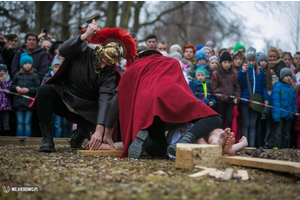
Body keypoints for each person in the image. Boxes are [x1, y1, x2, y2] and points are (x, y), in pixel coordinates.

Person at [30, 24, 136, 152]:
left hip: (88, 111)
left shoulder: (110, 73)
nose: (103, 67)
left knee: (99, 140)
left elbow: (105, 100)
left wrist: (99, 130)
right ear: (98, 52)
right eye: (102, 61)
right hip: (65, 96)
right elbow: (63, 50)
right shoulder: (83, 48)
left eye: (107, 65)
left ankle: (80, 133)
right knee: (45, 90)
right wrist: (84, 36)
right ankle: (47, 139)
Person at [116, 50, 223, 159]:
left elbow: (122, 95)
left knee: (160, 149)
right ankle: (185, 139)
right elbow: (180, 87)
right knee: (215, 118)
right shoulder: (170, 62)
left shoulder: (132, 69)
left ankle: (147, 141)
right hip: (169, 98)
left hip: (145, 108)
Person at [238, 47, 269, 147]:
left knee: (253, 125)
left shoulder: (260, 72)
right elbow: (241, 84)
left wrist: (266, 99)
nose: (251, 62)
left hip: (256, 101)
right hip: (245, 101)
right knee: (246, 124)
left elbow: (263, 87)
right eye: (249, 60)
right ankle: (243, 145)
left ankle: (251, 146)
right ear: (246, 61)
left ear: (256, 60)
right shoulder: (243, 70)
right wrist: (242, 72)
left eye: (253, 60)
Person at [10, 53, 40, 137]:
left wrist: (29, 90)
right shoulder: (17, 75)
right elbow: (11, 86)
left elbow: (38, 88)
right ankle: (19, 138)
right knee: (19, 121)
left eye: (29, 63)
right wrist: (16, 88)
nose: (27, 65)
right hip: (18, 102)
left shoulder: (34, 76)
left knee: (27, 121)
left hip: (29, 103)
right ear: (22, 64)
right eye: (25, 63)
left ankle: (27, 139)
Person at [269, 68, 299, 149]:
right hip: (279, 115)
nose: (288, 77)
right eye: (286, 76)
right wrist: (276, 115)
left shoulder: (291, 89)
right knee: (278, 132)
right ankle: (276, 148)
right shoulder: (277, 86)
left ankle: (284, 149)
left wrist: (295, 111)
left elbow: (293, 103)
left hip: (288, 115)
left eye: (290, 76)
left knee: (286, 134)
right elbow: (275, 101)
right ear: (282, 76)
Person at [211, 51, 241, 129]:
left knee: (230, 120)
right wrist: (225, 97)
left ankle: (229, 137)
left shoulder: (234, 73)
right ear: (221, 63)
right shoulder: (216, 74)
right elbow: (214, 90)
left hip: (231, 102)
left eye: (228, 62)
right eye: (225, 62)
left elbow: (237, 87)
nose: (227, 64)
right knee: (220, 121)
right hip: (220, 102)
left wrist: (237, 98)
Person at [0, 63, 12, 136]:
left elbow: (8, 91)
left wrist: (2, 82)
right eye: (0, 71)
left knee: (6, 122)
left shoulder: (8, 80)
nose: (1, 72)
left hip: (6, 106)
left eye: (3, 71)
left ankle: (6, 136)